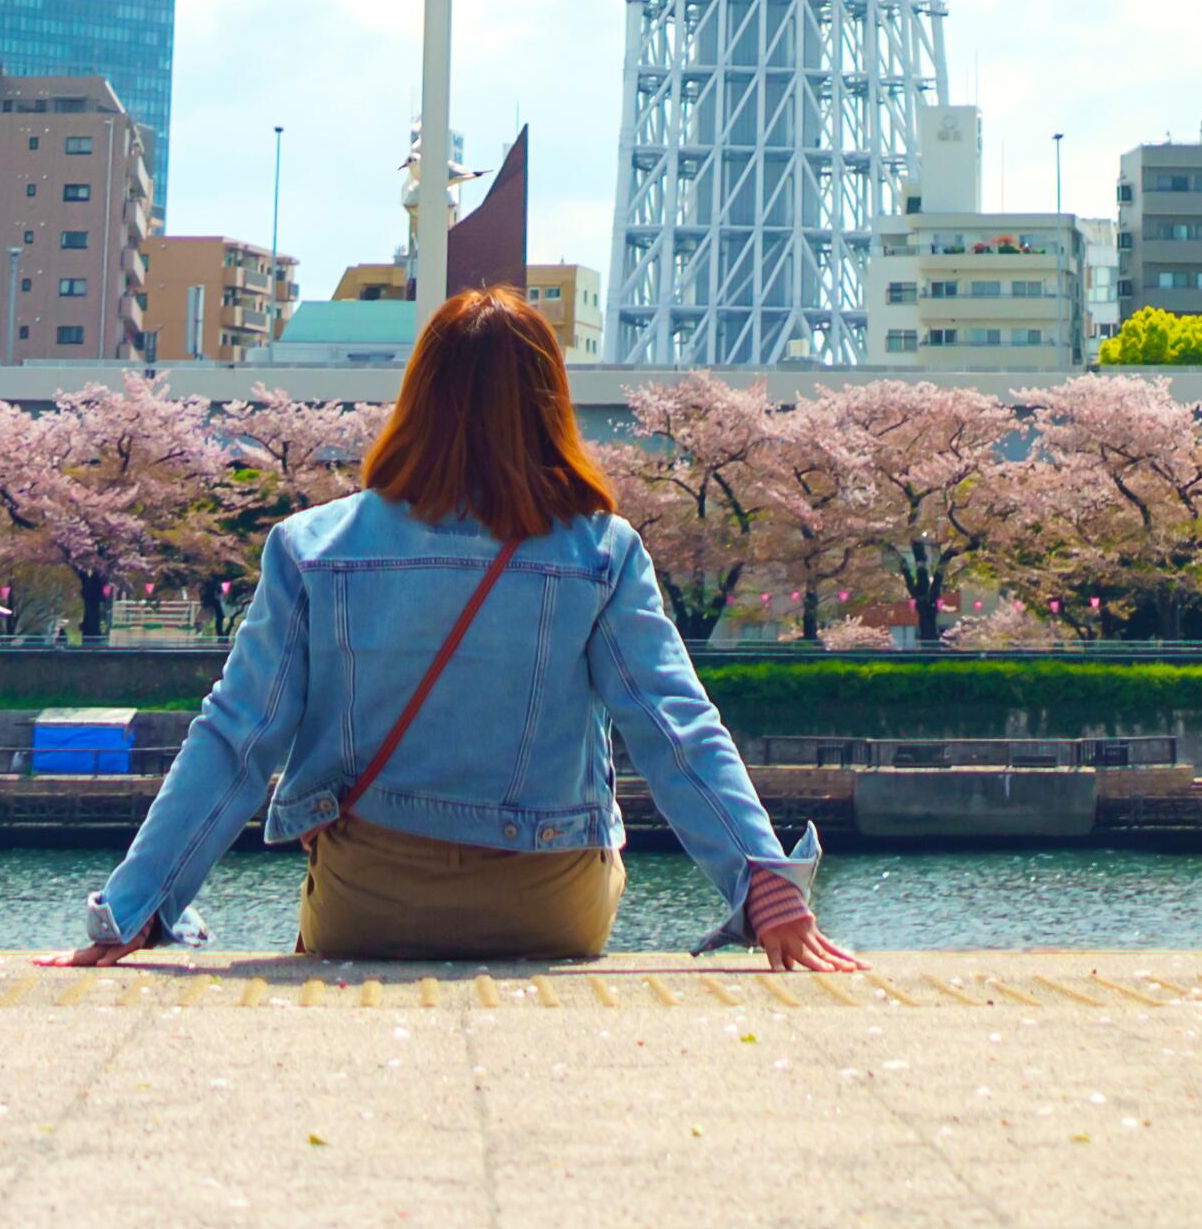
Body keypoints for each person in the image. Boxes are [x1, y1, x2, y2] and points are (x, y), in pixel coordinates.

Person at [54, 285, 865, 971]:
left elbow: (237, 737)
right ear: (550, 402)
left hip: (367, 904)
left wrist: (134, 910)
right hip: (552, 903)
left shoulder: (311, 548)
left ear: (419, 395)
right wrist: (765, 886)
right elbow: (674, 727)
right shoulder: (599, 550)